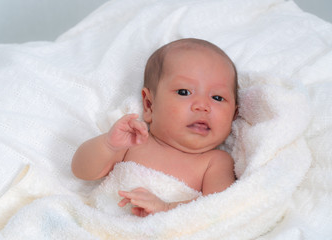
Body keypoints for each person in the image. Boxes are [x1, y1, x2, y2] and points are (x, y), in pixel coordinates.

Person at [72, 38, 238, 217]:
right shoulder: (135, 142)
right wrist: (108, 146)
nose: (202, 106)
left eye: (218, 98)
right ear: (150, 105)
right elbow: (81, 171)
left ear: (234, 115)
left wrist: (166, 209)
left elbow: (219, 207)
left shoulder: (216, 162)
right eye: (184, 92)